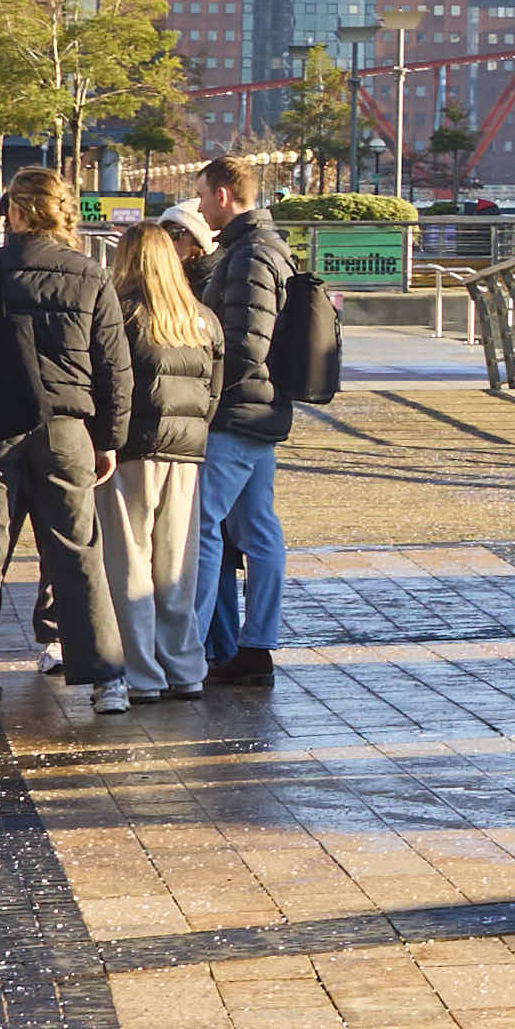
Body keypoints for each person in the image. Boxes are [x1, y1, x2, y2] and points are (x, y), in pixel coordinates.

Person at [0, 166, 148, 713]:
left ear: (13, 212)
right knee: (78, 552)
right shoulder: (90, 275)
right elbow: (115, 368)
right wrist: (108, 439)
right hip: (66, 429)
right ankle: (107, 681)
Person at [182, 152, 319, 691]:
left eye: (200, 195)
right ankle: (256, 644)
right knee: (257, 529)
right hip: (261, 410)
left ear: (222, 195)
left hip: (237, 411)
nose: (198, 207)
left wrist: (205, 387)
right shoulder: (264, 248)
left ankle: (189, 647)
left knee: (203, 526)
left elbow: (242, 345)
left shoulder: (248, 256)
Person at [92, 214, 223, 704]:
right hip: (187, 453)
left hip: (128, 451)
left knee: (129, 562)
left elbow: (105, 384)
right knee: (177, 566)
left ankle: (142, 672)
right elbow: (214, 389)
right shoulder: (202, 318)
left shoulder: (121, 314)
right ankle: (185, 667)